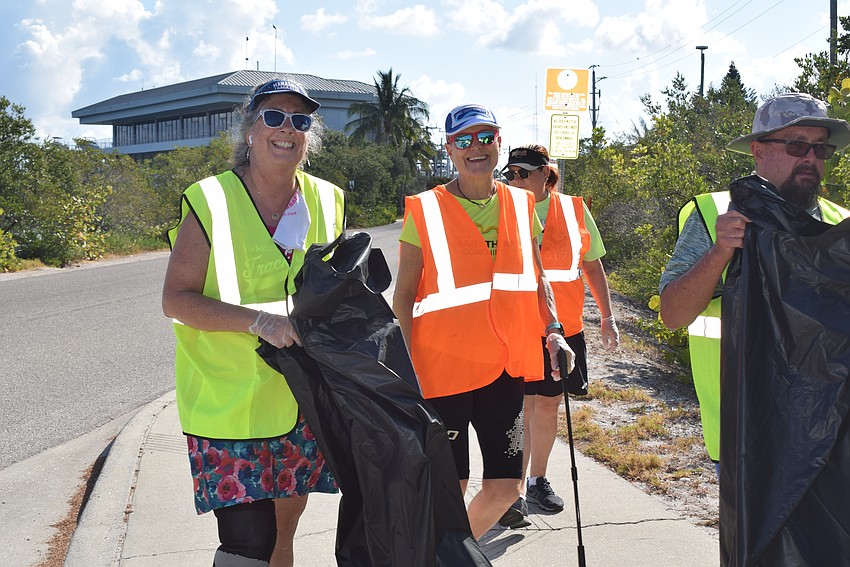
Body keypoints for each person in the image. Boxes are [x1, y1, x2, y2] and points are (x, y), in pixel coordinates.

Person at [162, 79, 344, 567]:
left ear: (310, 136)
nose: (287, 128)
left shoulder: (329, 199)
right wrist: (259, 321)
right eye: (274, 117)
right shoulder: (211, 200)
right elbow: (176, 300)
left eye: (300, 121)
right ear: (249, 130)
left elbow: (336, 292)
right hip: (228, 400)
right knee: (248, 543)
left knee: (285, 528)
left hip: (300, 396)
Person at [392, 103, 574, 540]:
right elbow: (403, 296)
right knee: (448, 488)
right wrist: (400, 370)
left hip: (504, 369)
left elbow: (536, 275)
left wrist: (553, 330)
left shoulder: (519, 202)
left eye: (485, 137)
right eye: (464, 140)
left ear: (498, 142)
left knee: (506, 488)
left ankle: (451, 553)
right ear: (450, 148)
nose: (476, 147)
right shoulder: (427, 209)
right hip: (441, 372)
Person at [658, 92, 850, 476]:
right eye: (797, 145)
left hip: (827, 434)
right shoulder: (714, 214)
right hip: (745, 433)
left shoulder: (839, 225)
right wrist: (719, 253)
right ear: (759, 152)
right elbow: (674, 314)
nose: (810, 158)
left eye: (820, 149)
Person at [496, 145, 620, 528]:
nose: (514, 179)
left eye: (522, 172)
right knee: (520, 409)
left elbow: (591, 264)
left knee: (547, 407)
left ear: (545, 174)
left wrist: (607, 315)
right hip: (518, 326)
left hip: (563, 328)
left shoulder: (574, 209)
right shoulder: (501, 208)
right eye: (509, 173)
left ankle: (537, 481)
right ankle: (509, 492)